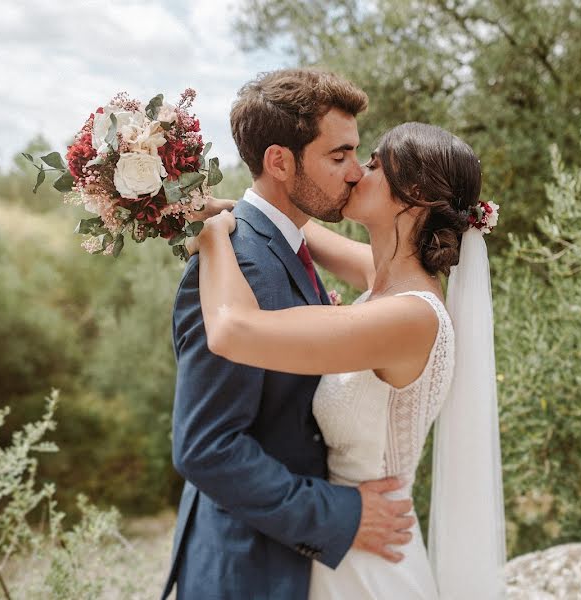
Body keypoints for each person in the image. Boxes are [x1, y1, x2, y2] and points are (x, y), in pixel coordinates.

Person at [190, 121, 507, 599]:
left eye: (375, 165)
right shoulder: (387, 280)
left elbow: (233, 330)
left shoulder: (409, 317)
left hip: (371, 557)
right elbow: (292, 227)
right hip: (340, 538)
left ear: (412, 195)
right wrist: (235, 204)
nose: (357, 172)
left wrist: (213, 237)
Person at [161, 69, 418, 600]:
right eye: (338, 155)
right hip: (247, 571)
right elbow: (206, 447)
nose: (355, 172)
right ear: (280, 161)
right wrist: (339, 513)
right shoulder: (241, 263)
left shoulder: (287, 246)